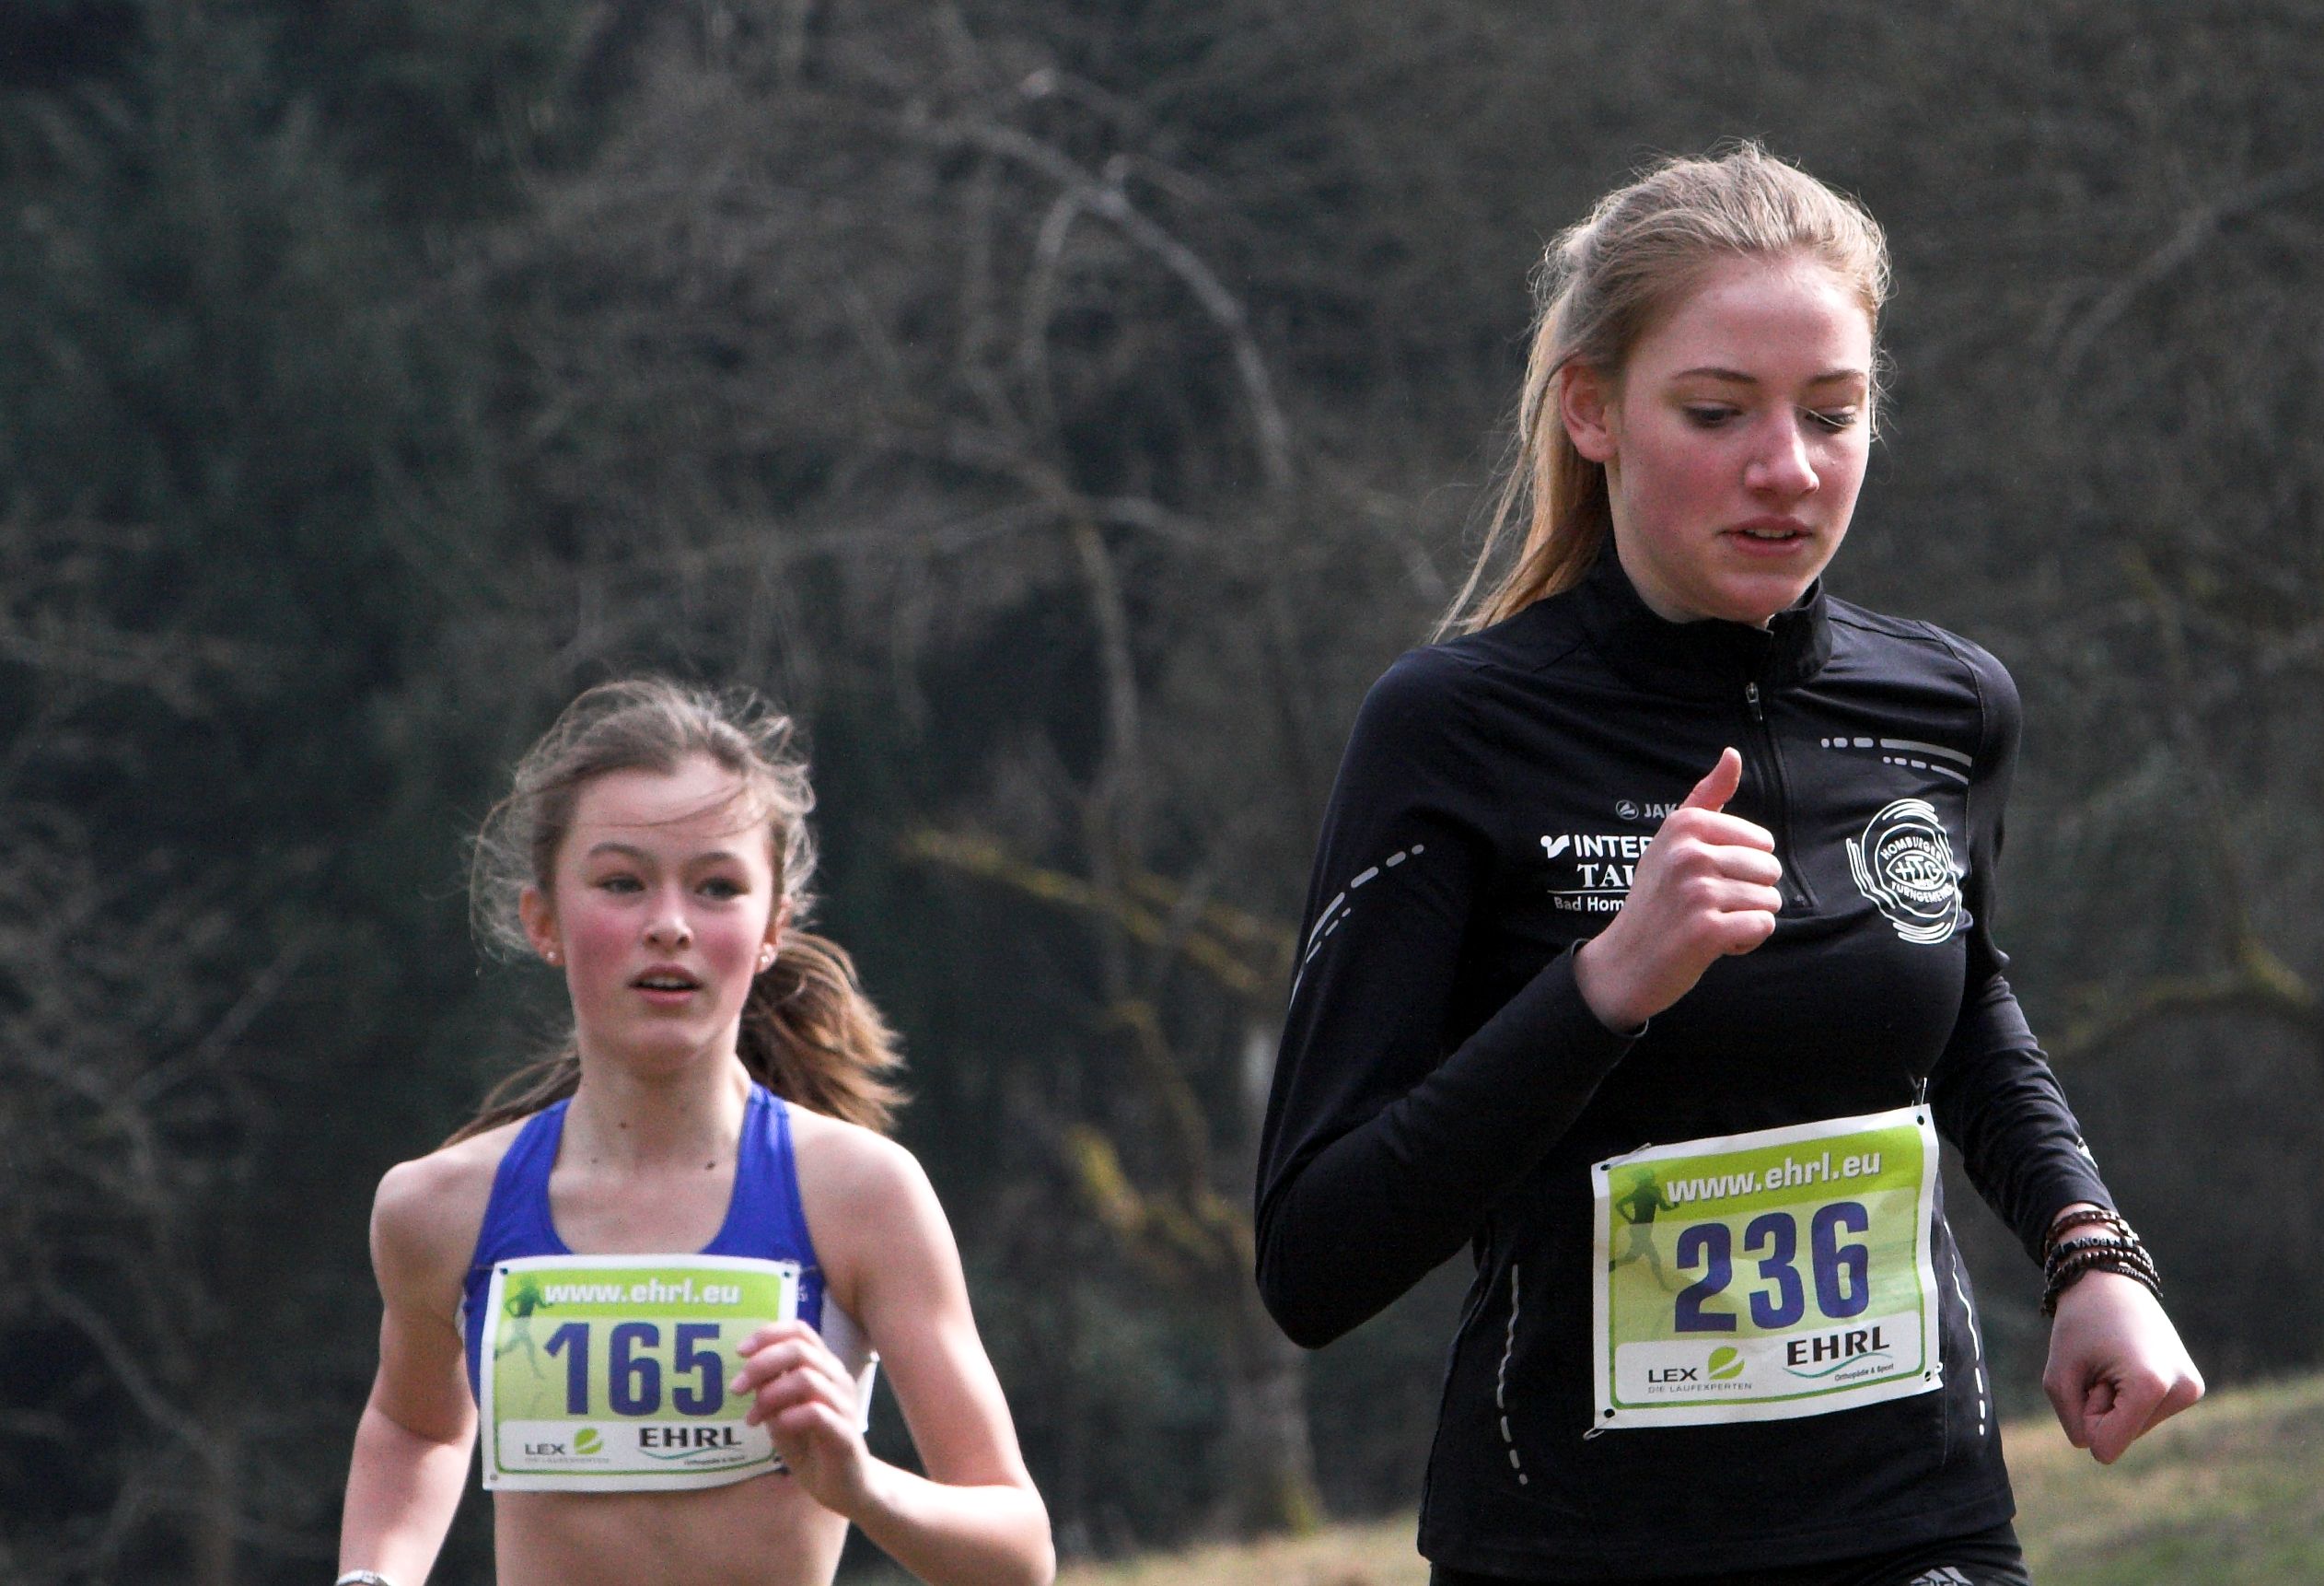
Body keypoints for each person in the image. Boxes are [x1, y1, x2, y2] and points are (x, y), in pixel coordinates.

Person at [1253, 145, 2202, 1586]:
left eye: (1833, 412)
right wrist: (1604, 988)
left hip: (1919, 1523)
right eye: (1717, 411)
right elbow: (1314, 1260)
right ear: (1592, 409)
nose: (1787, 467)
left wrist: (2088, 1251)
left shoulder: (1948, 705)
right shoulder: (1452, 728)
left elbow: (1962, 1007)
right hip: (1573, 1548)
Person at [338, 679, 1054, 1586]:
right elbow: (416, 1427)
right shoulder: (436, 1208)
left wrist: (862, 1484)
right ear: (543, 920)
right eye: (622, 883)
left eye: (717, 887)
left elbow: (1019, 1554)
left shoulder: (862, 1196)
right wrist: (370, 1578)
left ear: (771, 928)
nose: (670, 926)